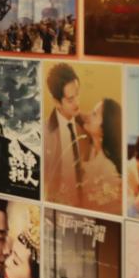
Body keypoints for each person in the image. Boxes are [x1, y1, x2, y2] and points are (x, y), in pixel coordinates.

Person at [44, 63, 83, 206]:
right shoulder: (44, 134)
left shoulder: (86, 125)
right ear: (56, 102)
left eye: (77, 94)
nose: (77, 103)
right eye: (71, 99)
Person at [79, 98, 122, 211]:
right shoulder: (92, 150)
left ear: (105, 126)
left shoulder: (109, 168)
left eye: (94, 114)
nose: (88, 115)